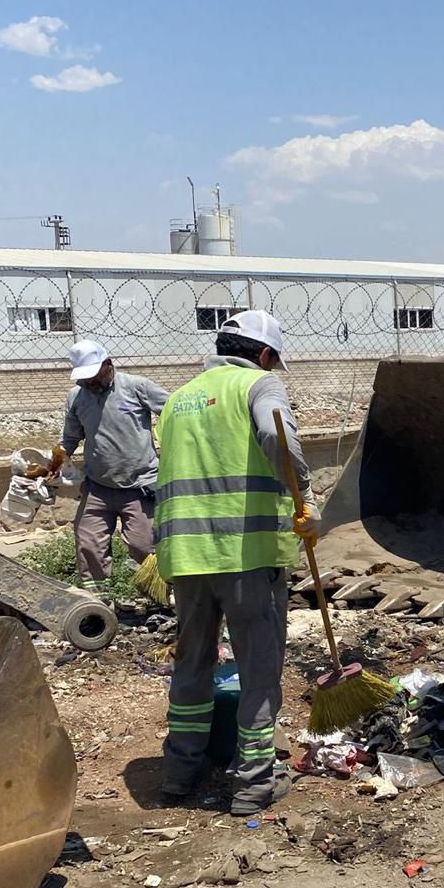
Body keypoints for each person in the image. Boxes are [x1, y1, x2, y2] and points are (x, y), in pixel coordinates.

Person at [153, 310, 318, 815]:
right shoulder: (258, 385)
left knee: (193, 663)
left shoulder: (179, 399)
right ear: (265, 355)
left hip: (185, 556)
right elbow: (279, 441)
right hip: (244, 554)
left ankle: (181, 769)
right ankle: (253, 783)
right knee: (259, 668)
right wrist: (305, 496)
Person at [47, 339, 169, 598]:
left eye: (92, 377)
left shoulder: (137, 387)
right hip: (97, 488)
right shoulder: (77, 397)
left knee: (143, 546)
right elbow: (70, 437)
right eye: (83, 379)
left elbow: (174, 411)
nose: (88, 383)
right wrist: (55, 461)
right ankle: (99, 602)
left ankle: (164, 596)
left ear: (109, 365)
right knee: (89, 545)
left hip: (139, 486)